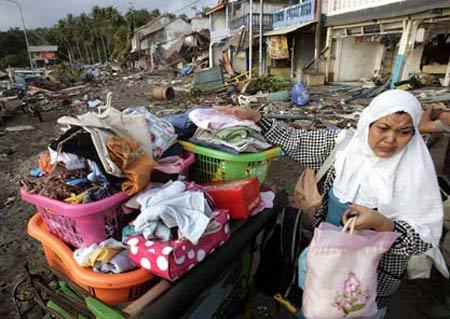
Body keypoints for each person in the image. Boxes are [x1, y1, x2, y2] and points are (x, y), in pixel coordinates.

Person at [219, 90, 448, 317]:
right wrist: (258, 118)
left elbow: (423, 240)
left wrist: (384, 225)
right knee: (316, 306)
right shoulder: (344, 147)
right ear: (368, 122)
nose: (390, 140)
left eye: (404, 132)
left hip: (372, 283)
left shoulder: (415, 171)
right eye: (383, 128)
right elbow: (295, 140)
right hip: (324, 266)